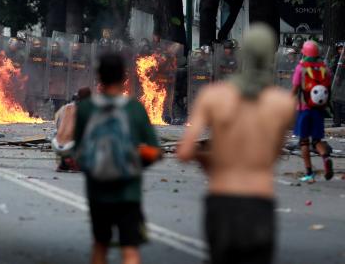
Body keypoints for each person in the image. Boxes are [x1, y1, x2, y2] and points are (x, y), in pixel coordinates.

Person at [176, 24, 296, 264]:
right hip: (259, 202)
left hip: (222, 199)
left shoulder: (214, 96)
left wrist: (212, 162)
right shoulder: (283, 103)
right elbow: (272, 155)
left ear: (243, 55)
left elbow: (185, 151)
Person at [73, 53, 161, 264]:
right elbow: (154, 151)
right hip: (128, 192)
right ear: (124, 77)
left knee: (100, 245)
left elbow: (78, 152)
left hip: (97, 191)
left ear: (99, 77)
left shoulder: (86, 108)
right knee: (130, 249)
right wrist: (135, 163)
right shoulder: (134, 109)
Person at [292, 40, 334, 183]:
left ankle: (309, 172)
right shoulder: (325, 69)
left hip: (304, 109)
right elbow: (328, 90)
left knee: (304, 142)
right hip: (318, 110)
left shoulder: (301, 68)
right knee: (316, 140)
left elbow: (295, 88)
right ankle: (326, 158)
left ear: (304, 52)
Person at [52, 87, 91, 172]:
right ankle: (76, 164)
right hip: (72, 145)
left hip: (56, 144)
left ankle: (63, 164)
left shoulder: (64, 108)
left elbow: (57, 123)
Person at [329, 42, 344, 127]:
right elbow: (331, 68)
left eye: (342, 48)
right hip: (337, 83)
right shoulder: (336, 58)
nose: (341, 50)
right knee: (336, 101)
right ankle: (337, 121)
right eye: (339, 49)